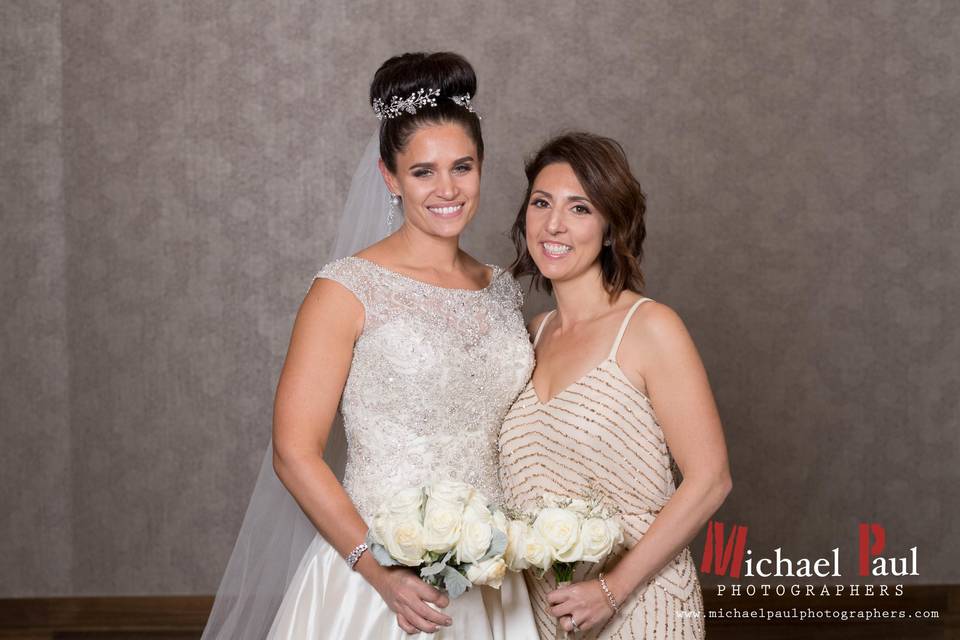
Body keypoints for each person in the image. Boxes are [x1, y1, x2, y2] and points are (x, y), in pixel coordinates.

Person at [202, 52, 539, 639]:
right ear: (390, 177)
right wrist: (378, 571)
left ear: (482, 168)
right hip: (378, 580)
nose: (447, 189)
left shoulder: (504, 290)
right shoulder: (346, 290)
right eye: (423, 171)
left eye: (462, 167)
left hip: (494, 583)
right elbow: (293, 451)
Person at [498, 132, 732, 638]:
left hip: (641, 606)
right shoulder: (528, 336)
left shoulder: (650, 327)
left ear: (609, 228)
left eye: (579, 208)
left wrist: (611, 589)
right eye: (542, 203)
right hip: (546, 613)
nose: (554, 224)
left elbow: (710, 479)